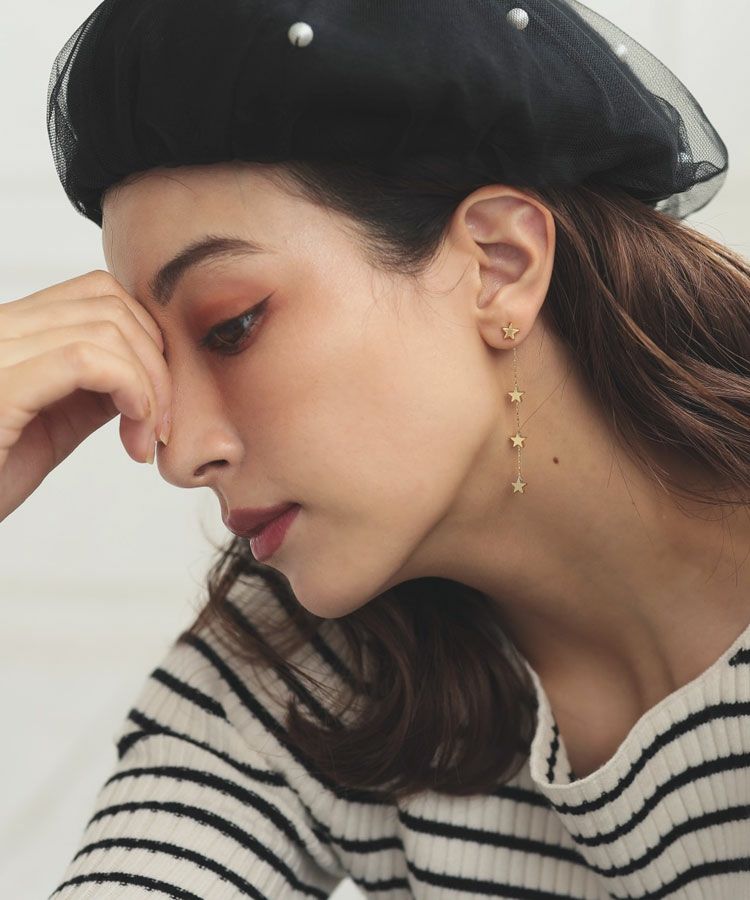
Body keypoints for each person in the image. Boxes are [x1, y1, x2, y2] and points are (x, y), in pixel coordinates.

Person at [1, 0, 748, 896]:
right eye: (155, 361)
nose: (178, 453)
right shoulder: (304, 669)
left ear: (499, 264)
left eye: (232, 326)